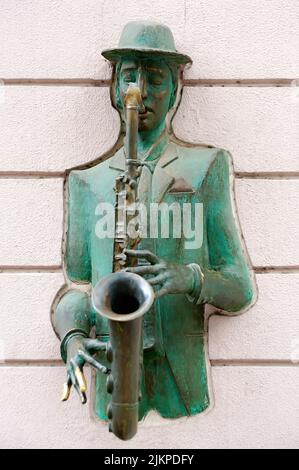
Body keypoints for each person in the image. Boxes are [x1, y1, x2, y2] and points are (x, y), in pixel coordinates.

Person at [52, 21, 256, 421]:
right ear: (115, 89)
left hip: (182, 383)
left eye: (156, 79)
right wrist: (72, 338)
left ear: (176, 91)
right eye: (129, 77)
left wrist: (190, 277)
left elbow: (241, 289)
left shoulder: (205, 169)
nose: (139, 93)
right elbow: (77, 286)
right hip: (115, 378)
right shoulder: (86, 183)